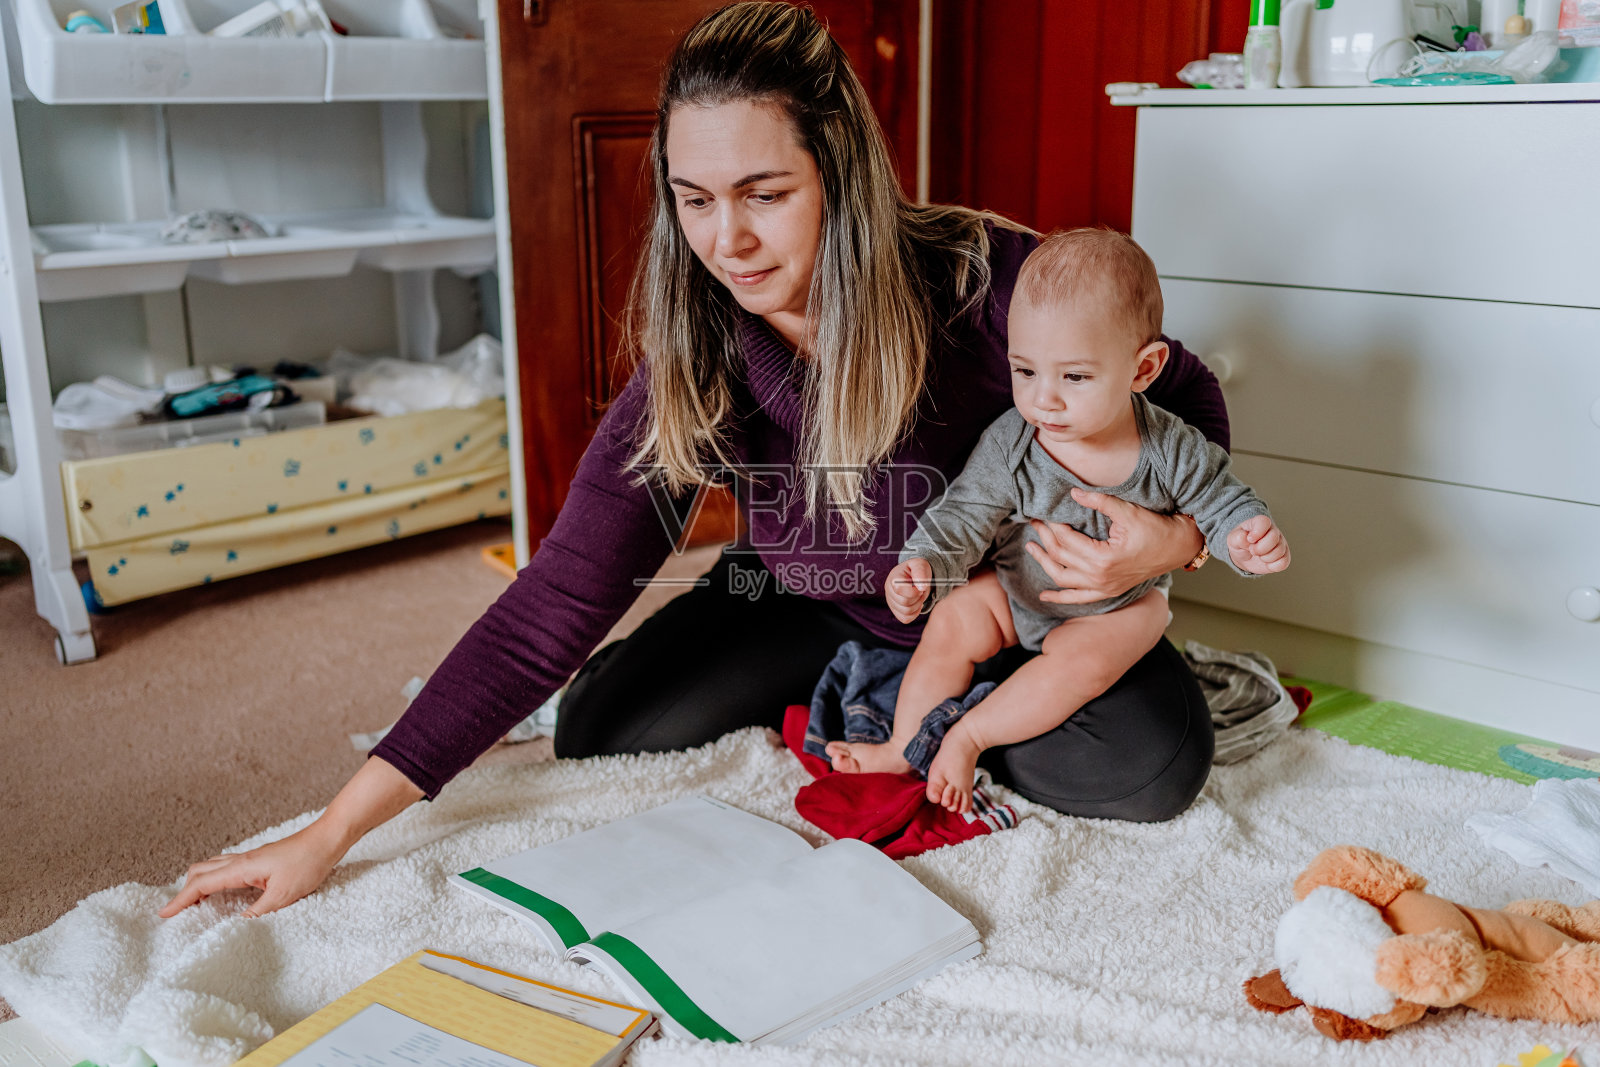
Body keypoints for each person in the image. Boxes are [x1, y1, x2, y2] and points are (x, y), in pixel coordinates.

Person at [161, 1, 1231, 921]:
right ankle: (860, 689)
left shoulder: (987, 282)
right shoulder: (699, 360)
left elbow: (1180, 392)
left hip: (996, 616)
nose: (728, 241)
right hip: (800, 590)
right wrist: (329, 832)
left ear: (840, 174)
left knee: (1151, 767)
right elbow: (552, 604)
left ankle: (912, 710)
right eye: (695, 197)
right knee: (601, 728)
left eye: (765, 193)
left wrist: (1169, 541)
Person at [825, 229, 1290, 813]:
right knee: (954, 619)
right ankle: (902, 744)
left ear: (1143, 369)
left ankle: (971, 734)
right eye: (1025, 371)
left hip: (1115, 610)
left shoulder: (1172, 448)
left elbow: (1220, 500)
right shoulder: (1012, 443)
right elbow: (963, 516)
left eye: (1074, 377)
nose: (1044, 399)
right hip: (1019, 592)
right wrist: (925, 567)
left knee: (1091, 659)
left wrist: (1245, 537)